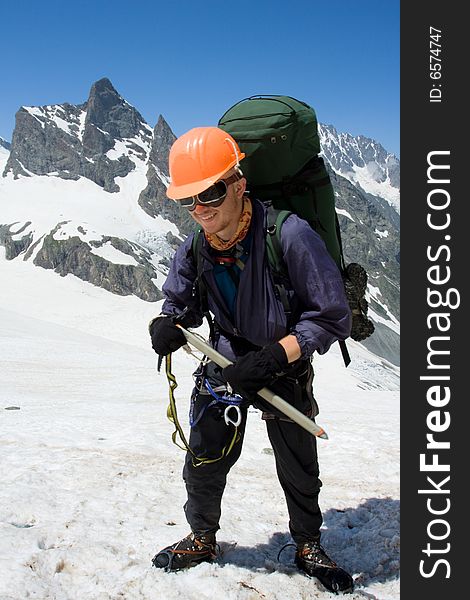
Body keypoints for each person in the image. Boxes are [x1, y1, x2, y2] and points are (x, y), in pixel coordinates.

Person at [149, 126, 354, 594]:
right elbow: (181, 301)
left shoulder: (290, 235)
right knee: (204, 457)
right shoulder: (198, 245)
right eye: (190, 200)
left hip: (284, 363)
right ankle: (201, 537)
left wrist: (274, 357)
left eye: (211, 192)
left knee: (298, 463)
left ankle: (307, 545)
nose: (201, 209)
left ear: (239, 184)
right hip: (224, 363)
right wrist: (166, 321)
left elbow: (331, 315)